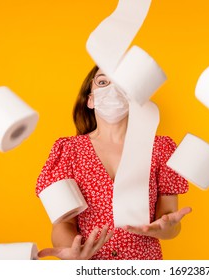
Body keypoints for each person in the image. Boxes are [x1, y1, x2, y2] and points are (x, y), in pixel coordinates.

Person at [35, 65, 191, 260]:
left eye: (122, 84)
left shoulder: (160, 148)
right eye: (103, 82)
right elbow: (63, 224)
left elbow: (169, 221)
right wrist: (73, 251)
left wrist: (166, 228)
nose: (112, 90)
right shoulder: (68, 150)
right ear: (90, 100)